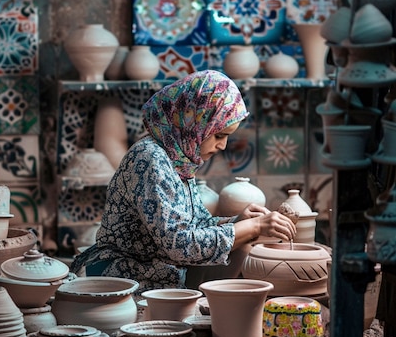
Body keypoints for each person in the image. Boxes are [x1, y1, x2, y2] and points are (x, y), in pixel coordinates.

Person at [70, 70, 296, 293]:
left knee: (244, 246)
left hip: (156, 277)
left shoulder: (179, 160)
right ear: (194, 121)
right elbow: (179, 245)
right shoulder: (151, 158)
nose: (223, 146)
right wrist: (252, 227)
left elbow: (193, 227)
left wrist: (237, 221)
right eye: (219, 135)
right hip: (123, 282)